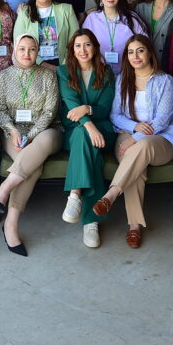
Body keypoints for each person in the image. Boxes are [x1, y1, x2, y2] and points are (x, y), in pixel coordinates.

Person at [92, 34, 173, 249]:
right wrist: (133, 128)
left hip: (160, 139)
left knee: (142, 146)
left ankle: (111, 194)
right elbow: (115, 115)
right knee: (135, 165)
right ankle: (134, 227)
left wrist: (136, 137)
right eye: (130, 52)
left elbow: (163, 118)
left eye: (140, 50)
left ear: (149, 52)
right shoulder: (122, 79)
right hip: (127, 133)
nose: (135, 56)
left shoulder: (165, 80)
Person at [0, 34, 62, 256]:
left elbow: (50, 111)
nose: (27, 54)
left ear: (38, 51)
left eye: (32, 49)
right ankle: (11, 224)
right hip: (13, 133)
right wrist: (12, 131)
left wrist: (31, 134)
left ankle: (4, 188)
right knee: (33, 165)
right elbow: (0, 110)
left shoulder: (48, 76)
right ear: (15, 50)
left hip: (46, 132)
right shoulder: (2, 77)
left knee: (44, 141)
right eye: (22, 49)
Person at [58, 29, 116, 248]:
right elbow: (70, 104)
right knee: (91, 150)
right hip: (74, 132)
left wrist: (87, 109)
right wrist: (89, 125)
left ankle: (75, 196)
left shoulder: (107, 73)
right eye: (78, 46)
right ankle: (91, 221)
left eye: (87, 45)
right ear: (72, 50)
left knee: (88, 140)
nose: (83, 50)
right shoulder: (64, 72)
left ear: (95, 48)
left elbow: (105, 108)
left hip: (104, 132)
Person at [81, 0, 147, 75]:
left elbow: (145, 45)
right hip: (99, 75)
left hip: (128, 75)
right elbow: (83, 45)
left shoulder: (131, 18)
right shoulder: (91, 19)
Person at [13, 0, 80, 69]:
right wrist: (42, 64)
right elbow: (18, 43)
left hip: (63, 65)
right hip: (34, 65)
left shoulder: (67, 9)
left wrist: (64, 66)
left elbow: (75, 40)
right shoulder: (25, 13)